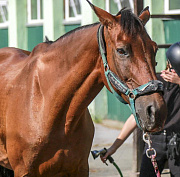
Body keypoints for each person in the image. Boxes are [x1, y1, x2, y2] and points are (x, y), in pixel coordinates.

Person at [101, 42, 180, 177]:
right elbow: (134, 117)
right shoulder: (155, 82)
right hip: (155, 141)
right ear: (168, 64)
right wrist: (114, 147)